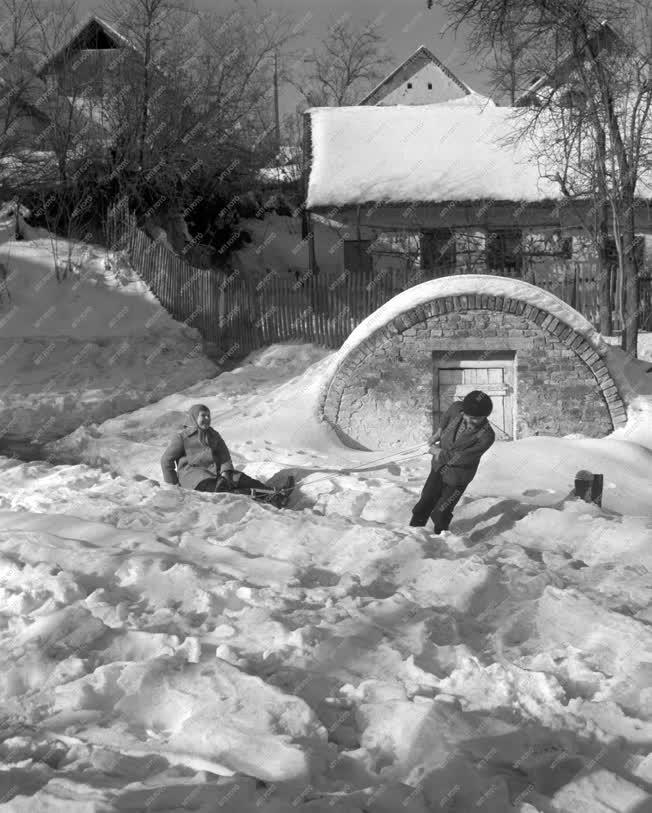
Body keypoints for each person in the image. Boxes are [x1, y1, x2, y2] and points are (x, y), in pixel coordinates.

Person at [160, 403, 292, 508]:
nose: (207, 419)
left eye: (208, 416)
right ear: (194, 417)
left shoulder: (213, 435)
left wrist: (225, 473)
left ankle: (275, 495)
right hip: (194, 478)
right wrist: (174, 486)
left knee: (241, 479)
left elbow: (224, 456)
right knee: (222, 489)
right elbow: (166, 461)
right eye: (203, 415)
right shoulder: (182, 437)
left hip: (216, 473)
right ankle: (264, 497)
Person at [410, 390, 495, 534]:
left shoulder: (486, 436)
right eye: (468, 416)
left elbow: (463, 457)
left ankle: (440, 539)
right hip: (438, 467)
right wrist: (438, 432)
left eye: (476, 419)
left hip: (458, 476)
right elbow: (446, 416)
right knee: (424, 502)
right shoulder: (457, 408)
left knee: (441, 511)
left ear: (485, 417)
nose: (470, 421)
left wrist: (439, 452)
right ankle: (413, 534)